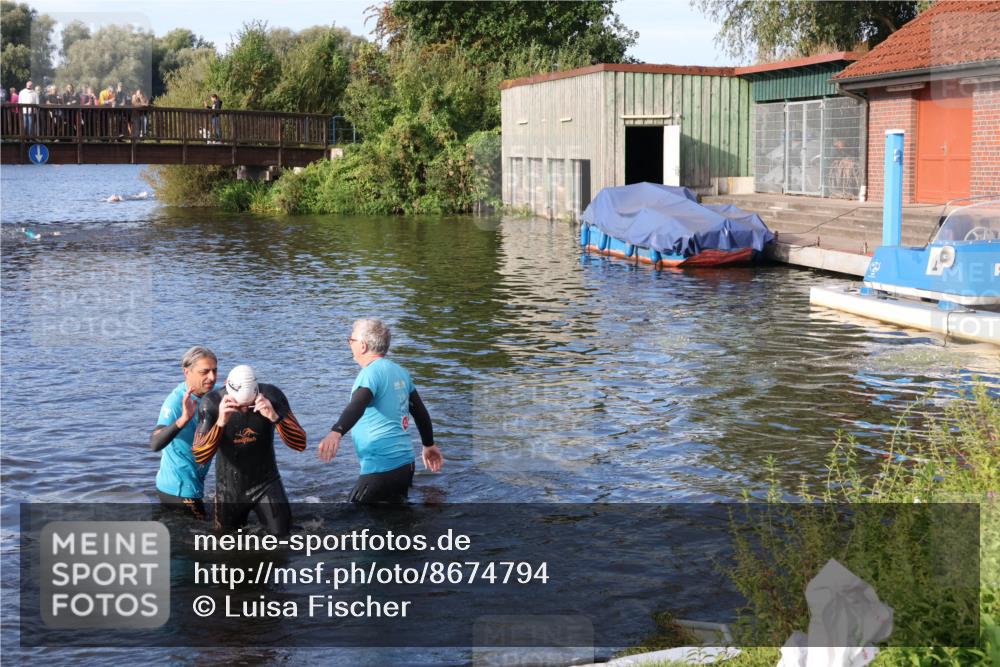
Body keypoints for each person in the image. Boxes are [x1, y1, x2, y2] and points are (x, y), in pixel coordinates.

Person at [318, 318, 443, 503]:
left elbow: (358, 404)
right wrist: (428, 444)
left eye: (350, 341)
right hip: (405, 465)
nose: (349, 345)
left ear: (363, 345)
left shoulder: (370, 374)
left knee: (355, 520)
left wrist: (336, 431)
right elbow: (420, 412)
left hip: (380, 467)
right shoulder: (400, 371)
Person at [193, 364, 307, 535]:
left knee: (283, 539)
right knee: (226, 547)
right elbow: (200, 456)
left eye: (250, 405)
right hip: (229, 489)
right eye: (239, 406)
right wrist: (220, 423)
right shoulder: (211, 403)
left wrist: (275, 418)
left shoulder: (272, 396)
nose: (245, 409)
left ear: (257, 393)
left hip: (267, 483)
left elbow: (300, 444)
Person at [149, 346, 219, 519]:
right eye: (205, 372)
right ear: (187, 372)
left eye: (214, 371)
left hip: (194, 484)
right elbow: (155, 444)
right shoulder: (175, 402)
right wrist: (183, 419)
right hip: (178, 489)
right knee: (205, 540)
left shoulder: (213, 395)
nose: (212, 377)